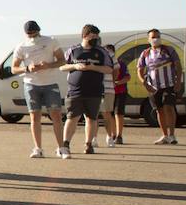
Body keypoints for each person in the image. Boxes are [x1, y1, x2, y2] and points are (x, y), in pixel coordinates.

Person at [11, 20, 67, 158]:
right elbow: (14, 68)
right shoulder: (21, 46)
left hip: (50, 83)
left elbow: (62, 60)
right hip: (31, 84)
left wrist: (48, 65)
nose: (32, 36)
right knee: (34, 117)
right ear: (25, 33)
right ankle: (38, 148)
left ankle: (61, 148)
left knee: (56, 116)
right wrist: (27, 68)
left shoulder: (51, 41)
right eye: (29, 34)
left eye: (34, 33)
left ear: (39, 30)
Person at [60, 24, 114, 155]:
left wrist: (92, 67)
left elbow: (109, 69)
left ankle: (88, 144)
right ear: (85, 35)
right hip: (75, 91)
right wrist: (75, 66)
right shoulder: (73, 50)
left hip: (94, 91)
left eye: (97, 36)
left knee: (91, 118)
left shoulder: (101, 51)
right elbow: (62, 67)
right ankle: (65, 145)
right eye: (93, 36)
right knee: (72, 117)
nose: (96, 38)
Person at [138, 29, 182, 144]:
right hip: (153, 87)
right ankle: (164, 135)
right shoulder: (145, 53)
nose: (155, 39)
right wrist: (144, 83)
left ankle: (172, 135)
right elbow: (140, 69)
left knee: (169, 107)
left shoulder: (169, 50)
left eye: (157, 36)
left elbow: (178, 66)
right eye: (153, 37)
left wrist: (178, 83)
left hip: (169, 85)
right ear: (148, 39)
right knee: (159, 110)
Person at [108, 44, 130, 145]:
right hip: (109, 92)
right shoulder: (104, 65)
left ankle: (119, 135)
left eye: (110, 51)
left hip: (120, 92)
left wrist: (117, 83)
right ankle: (113, 134)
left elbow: (127, 77)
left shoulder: (121, 64)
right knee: (110, 114)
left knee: (119, 113)